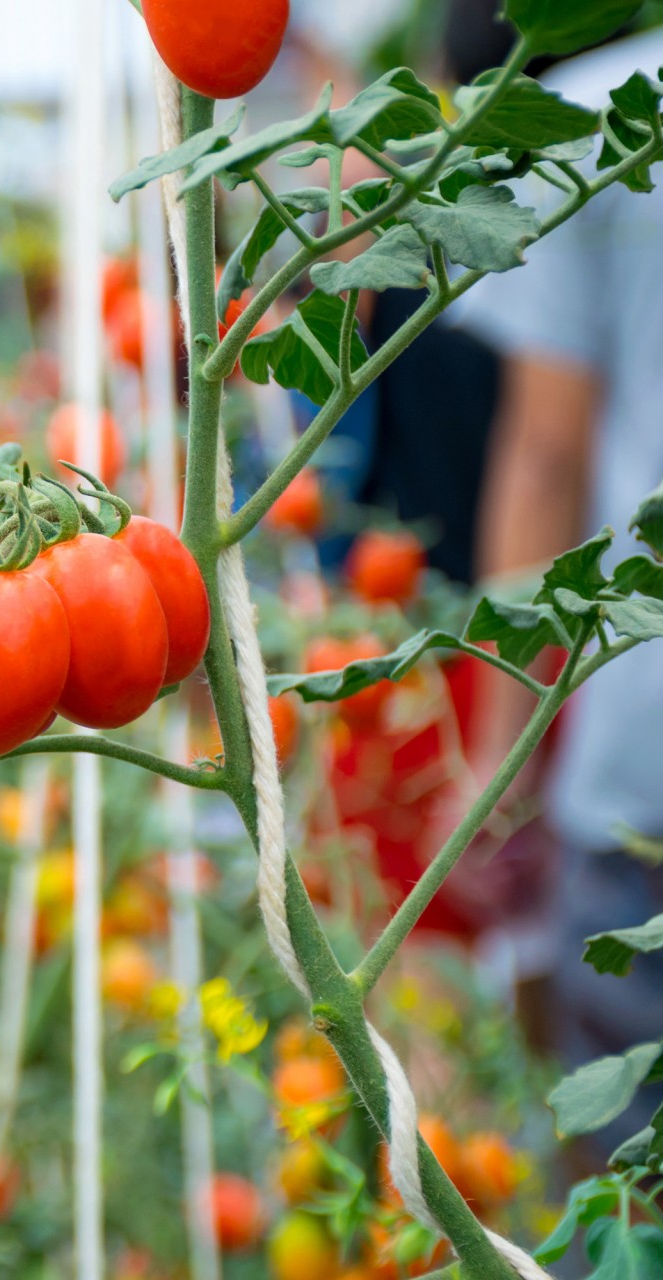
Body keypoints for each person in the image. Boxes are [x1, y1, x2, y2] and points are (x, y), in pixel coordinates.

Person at [454, 22, 663, 1133]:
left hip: (646, 778)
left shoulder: (592, 119)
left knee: (630, 1192)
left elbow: (545, 460)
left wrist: (500, 763)